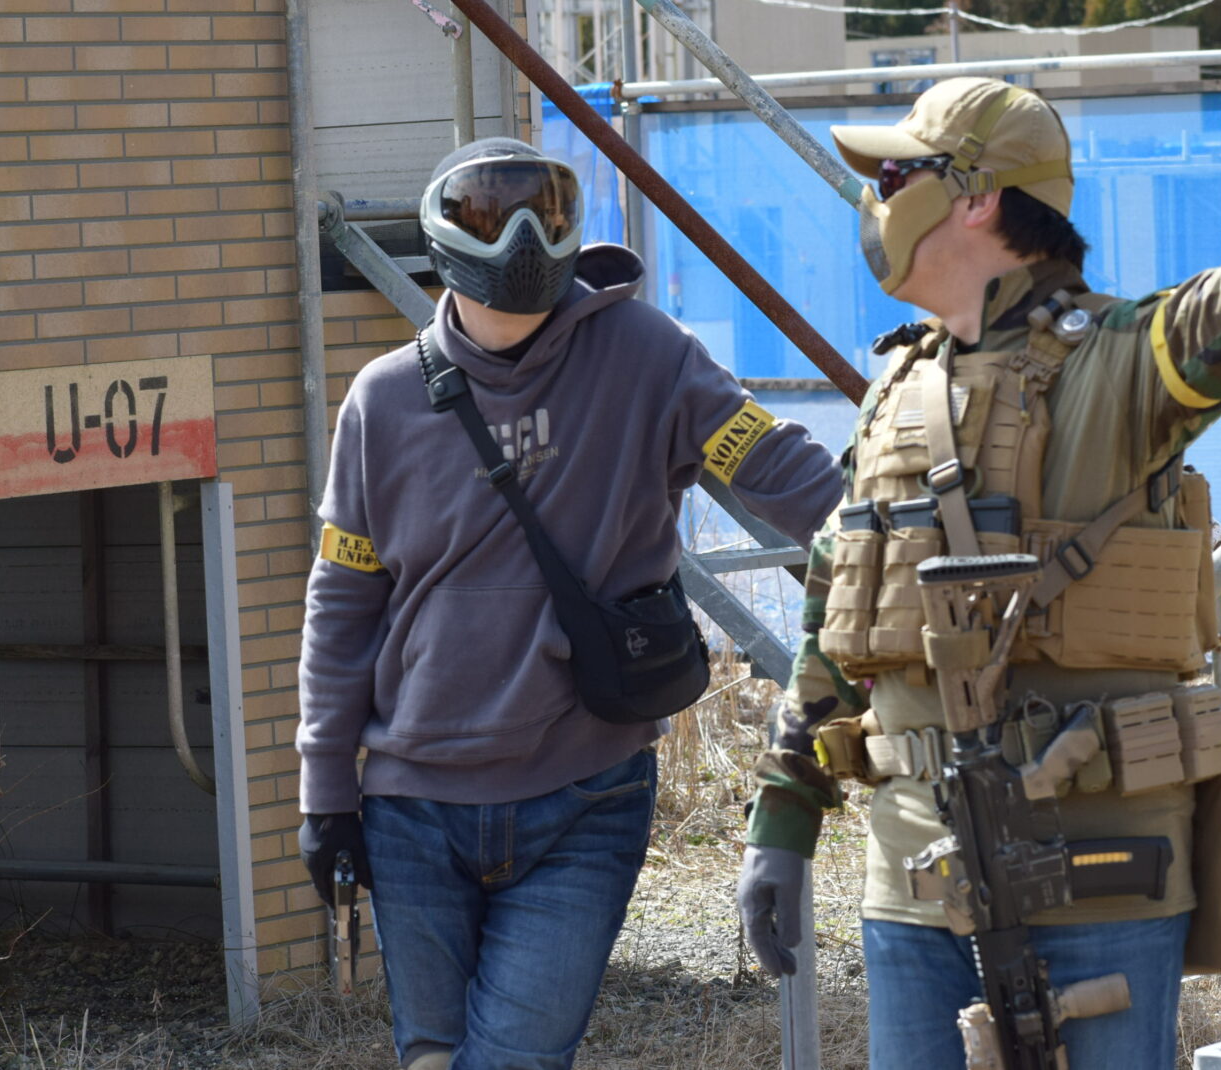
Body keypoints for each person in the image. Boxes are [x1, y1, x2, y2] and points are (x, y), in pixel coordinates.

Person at [736, 77, 1221, 1069]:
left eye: (897, 175)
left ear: (975, 197)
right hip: (910, 874)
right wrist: (781, 820)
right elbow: (836, 606)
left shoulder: (1115, 363)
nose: (878, 198)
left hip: (1099, 876)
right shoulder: (897, 386)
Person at [297, 137, 842, 1070]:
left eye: (542, 213)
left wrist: (903, 535)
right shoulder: (381, 401)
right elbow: (341, 605)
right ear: (445, 243)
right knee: (430, 1056)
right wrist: (325, 793)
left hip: (587, 792)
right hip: (411, 805)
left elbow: (779, 469)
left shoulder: (646, 355)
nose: (519, 238)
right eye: (489, 215)